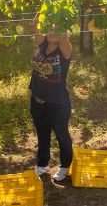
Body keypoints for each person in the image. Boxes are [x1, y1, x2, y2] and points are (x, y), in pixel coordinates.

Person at [29, 17, 74, 182]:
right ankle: (42, 164)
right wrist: (46, 8)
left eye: (57, 30)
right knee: (42, 133)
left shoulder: (64, 50)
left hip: (57, 103)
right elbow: (35, 25)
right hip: (37, 99)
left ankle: (64, 166)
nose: (52, 32)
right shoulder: (42, 45)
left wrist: (60, 14)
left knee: (61, 134)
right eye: (50, 28)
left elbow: (64, 37)